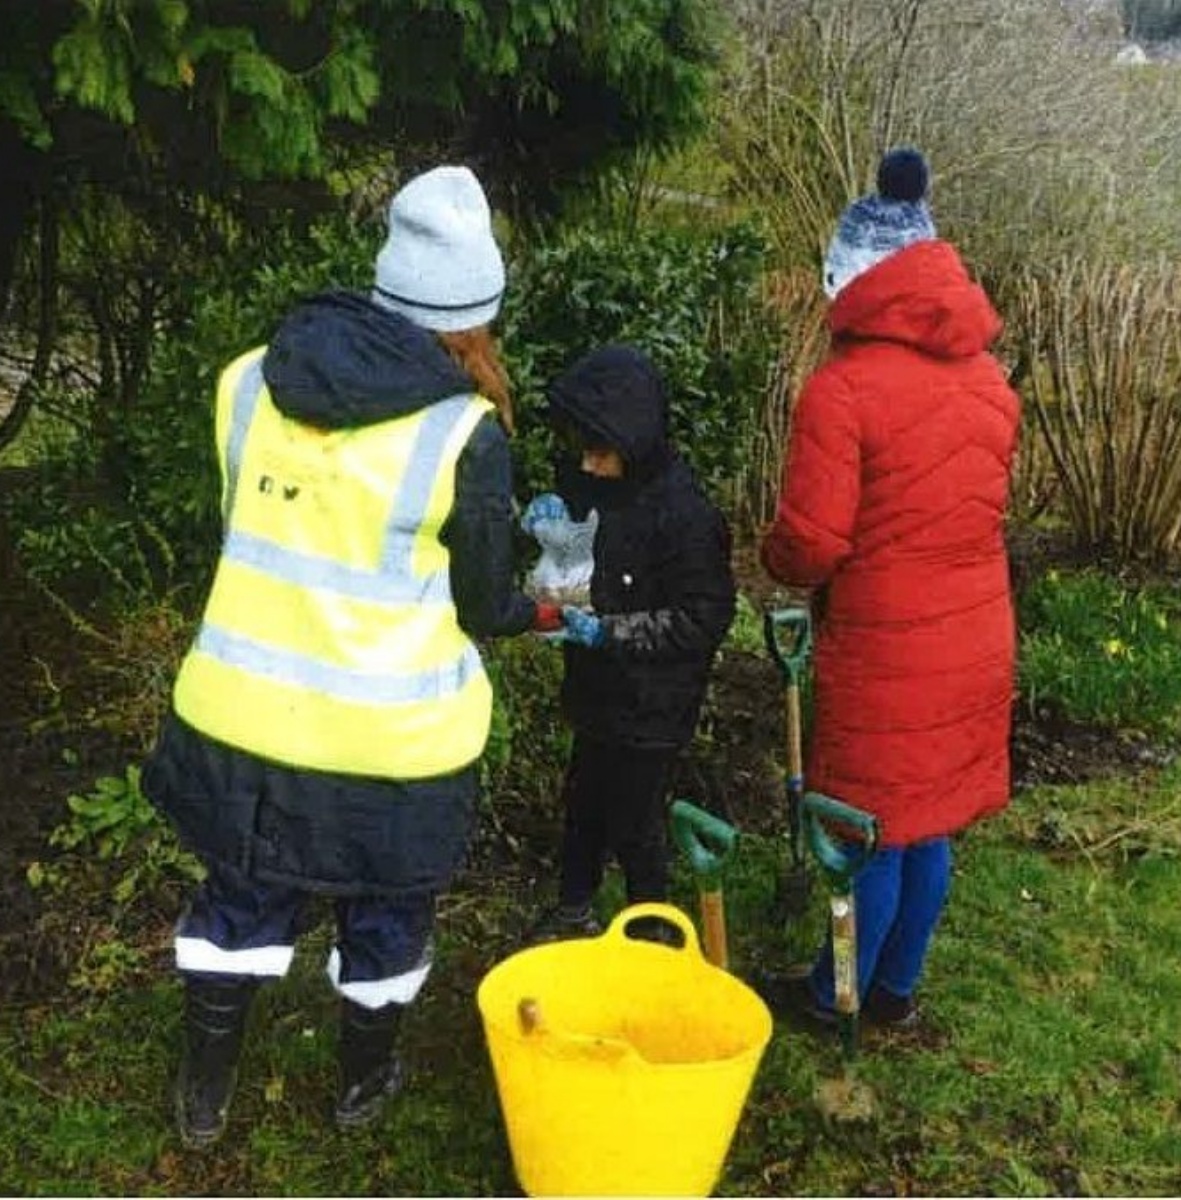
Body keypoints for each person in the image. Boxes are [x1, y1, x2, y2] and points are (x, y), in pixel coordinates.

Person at [141, 165, 560, 1147]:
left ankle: (205, 1094)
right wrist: (537, 609)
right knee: (384, 915)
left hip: (241, 722)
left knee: (239, 901)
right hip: (392, 745)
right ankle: (362, 1086)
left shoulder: (246, 383)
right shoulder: (465, 434)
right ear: (474, 315)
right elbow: (482, 601)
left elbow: (257, 528)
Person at [758, 148, 1020, 1029]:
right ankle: (894, 992)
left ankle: (832, 999)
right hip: (976, 635)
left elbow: (817, 542)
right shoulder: (990, 383)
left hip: (891, 646)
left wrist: (776, 555)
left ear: (855, 279)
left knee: (859, 832)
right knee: (927, 821)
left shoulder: (843, 392)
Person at [522, 344, 736, 943]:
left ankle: (652, 929)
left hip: (654, 702)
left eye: (598, 451)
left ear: (632, 439)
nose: (586, 465)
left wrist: (610, 631)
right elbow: (578, 552)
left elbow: (704, 618)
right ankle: (572, 911)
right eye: (581, 450)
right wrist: (550, 531)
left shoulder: (685, 516)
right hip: (596, 690)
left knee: (635, 818)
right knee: (583, 802)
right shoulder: (598, 482)